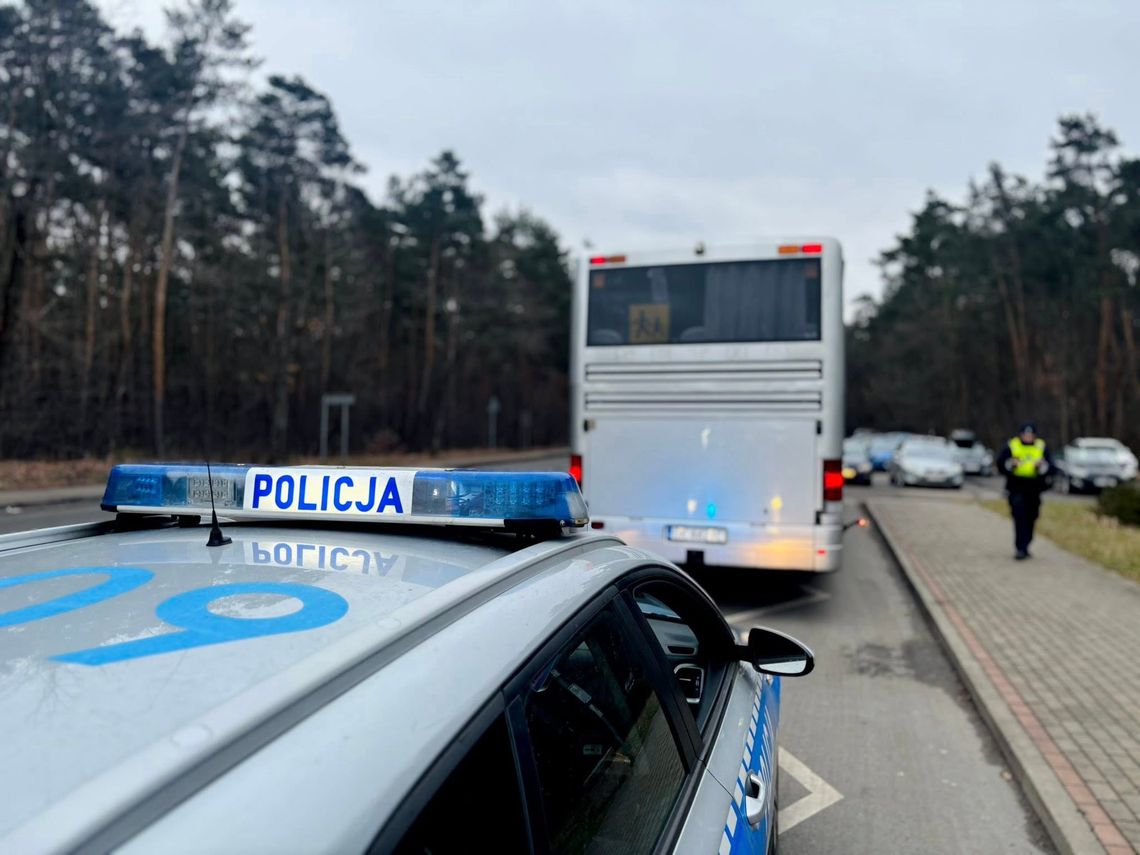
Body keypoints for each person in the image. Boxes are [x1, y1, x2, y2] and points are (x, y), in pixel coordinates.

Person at [995, 421, 1054, 560]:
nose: (1028, 437)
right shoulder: (1012, 445)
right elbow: (1000, 464)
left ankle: (1026, 545)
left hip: (1034, 488)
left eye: (1030, 434)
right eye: (1025, 434)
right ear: (1021, 435)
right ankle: (1020, 548)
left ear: (1034, 435)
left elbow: (1052, 468)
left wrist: (1041, 466)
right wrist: (1011, 464)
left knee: (1031, 517)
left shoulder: (1041, 446)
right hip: (1016, 487)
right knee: (1019, 517)